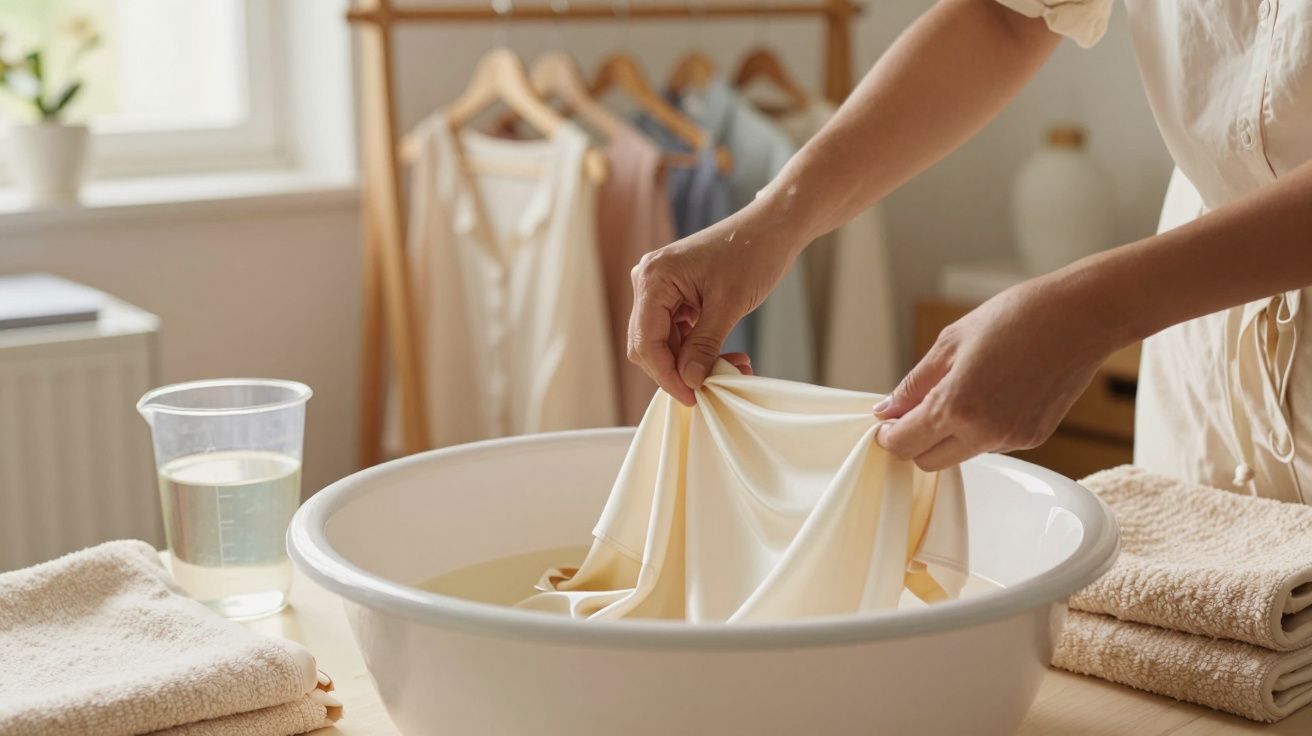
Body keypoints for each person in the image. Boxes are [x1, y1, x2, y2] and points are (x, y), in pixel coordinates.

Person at [625, 0, 1312, 504]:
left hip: (1183, 301)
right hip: (1201, 374)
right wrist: (770, 222)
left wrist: (1093, 311)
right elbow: (1007, 16)